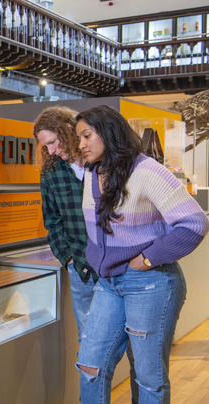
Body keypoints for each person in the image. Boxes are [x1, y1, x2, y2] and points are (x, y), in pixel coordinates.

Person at [75, 105, 209, 404]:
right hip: (108, 284)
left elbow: (195, 223)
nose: (81, 144)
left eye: (87, 135)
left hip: (150, 284)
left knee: (147, 376)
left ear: (109, 133)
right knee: (90, 364)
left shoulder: (147, 170)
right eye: (78, 138)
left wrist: (148, 258)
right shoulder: (92, 172)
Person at [33, 106, 98, 343]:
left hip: (116, 268)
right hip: (81, 268)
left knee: (132, 341)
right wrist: (68, 259)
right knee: (89, 344)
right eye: (45, 147)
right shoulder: (50, 173)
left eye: (52, 142)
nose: (50, 151)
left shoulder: (101, 164)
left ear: (68, 130)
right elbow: (52, 220)